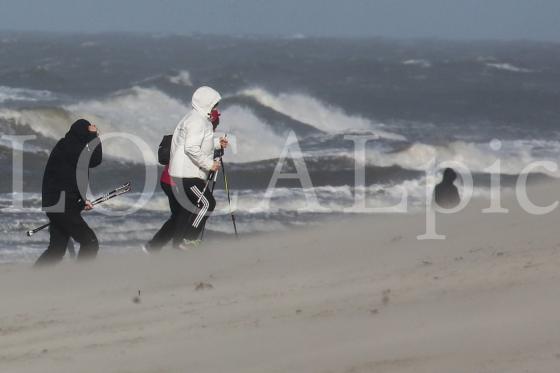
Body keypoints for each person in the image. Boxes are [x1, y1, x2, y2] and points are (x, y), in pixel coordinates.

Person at [35, 119, 102, 266]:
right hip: (62, 205)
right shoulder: (73, 147)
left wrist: (82, 200)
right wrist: (94, 136)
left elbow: (69, 179)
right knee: (90, 242)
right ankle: (79, 278)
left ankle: (34, 279)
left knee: (56, 249)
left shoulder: (65, 146)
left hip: (56, 205)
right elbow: (96, 159)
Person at [168, 86, 228, 249]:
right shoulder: (197, 121)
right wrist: (210, 164)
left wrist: (217, 143)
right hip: (186, 174)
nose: (216, 108)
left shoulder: (198, 118)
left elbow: (200, 142)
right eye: (214, 104)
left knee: (191, 208)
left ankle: (179, 244)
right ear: (206, 103)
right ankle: (188, 241)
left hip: (187, 172)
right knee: (207, 203)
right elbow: (191, 148)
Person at [142, 135, 180, 253]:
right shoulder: (193, 138)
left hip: (168, 181)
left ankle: (154, 246)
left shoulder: (182, 135)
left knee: (178, 216)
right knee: (183, 216)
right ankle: (177, 246)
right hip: (175, 183)